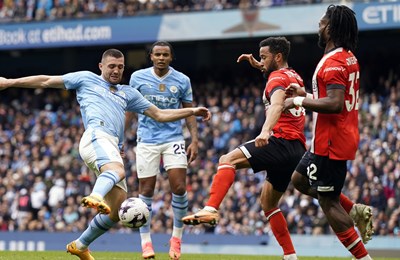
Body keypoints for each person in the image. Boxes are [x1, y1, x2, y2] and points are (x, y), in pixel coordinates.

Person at [0, 48, 211, 260]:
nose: (116, 71)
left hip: (110, 145)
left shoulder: (128, 93)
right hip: (95, 136)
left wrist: (191, 111)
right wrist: (9, 82)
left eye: (120, 67)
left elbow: (159, 114)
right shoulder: (86, 79)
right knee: (117, 170)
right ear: (101, 66)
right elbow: (46, 81)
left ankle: (80, 245)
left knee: (117, 207)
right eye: (111, 66)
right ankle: (95, 195)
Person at [184, 36, 307, 260]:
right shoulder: (293, 75)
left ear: (277, 57)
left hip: (278, 141)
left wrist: (265, 130)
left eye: (264, 57)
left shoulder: (277, 78)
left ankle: (210, 209)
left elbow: (278, 103)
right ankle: (290, 256)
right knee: (269, 204)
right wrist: (258, 64)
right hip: (296, 149)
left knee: (226, 160)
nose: (261, 61)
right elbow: (278, 82)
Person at [283, 5, 373, 259]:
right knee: (300, 180)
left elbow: (334, 104)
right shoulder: (347, 56)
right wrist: (306, 95)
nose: (319, 28)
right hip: (329, 137)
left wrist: (298, 102)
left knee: (328, 202)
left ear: (330, 29)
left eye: (321, 24)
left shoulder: (334, 62)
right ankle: (355, 211)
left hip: (332, 140)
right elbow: (335, 99)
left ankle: (364, 257)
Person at [125, 41, 198, 260]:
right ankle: (146, 243)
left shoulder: (182, 80)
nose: (161, 58)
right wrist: (119, 138)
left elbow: (189, 111)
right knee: (146, 191)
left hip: (173, 138)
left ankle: (176, 238)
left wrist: (194, 139)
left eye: (165, 54)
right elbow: (129, 110)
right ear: (151, 57)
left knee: (178, 186)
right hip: (146, 140)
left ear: (171, 57)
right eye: (157, 54)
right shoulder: (137, 77)